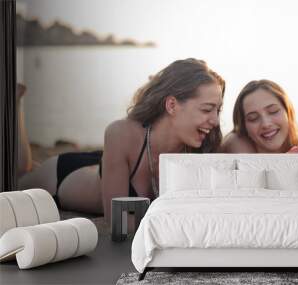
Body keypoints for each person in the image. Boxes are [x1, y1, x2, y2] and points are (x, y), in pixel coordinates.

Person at [17, 58, 225, 223]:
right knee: (18, 179)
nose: (215, 121)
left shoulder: (201, 149)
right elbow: (117, 221)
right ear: (171, 105)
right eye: (207, 109)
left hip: (109, 163)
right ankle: (15, 104)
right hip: (65, 176)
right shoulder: (121, 132)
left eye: (218, 110)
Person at [220, 79, 298, 196]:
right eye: (253, 118)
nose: (266, 124)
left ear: (288, 111)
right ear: (244, 127)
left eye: (273, 111)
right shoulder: (237, 145)